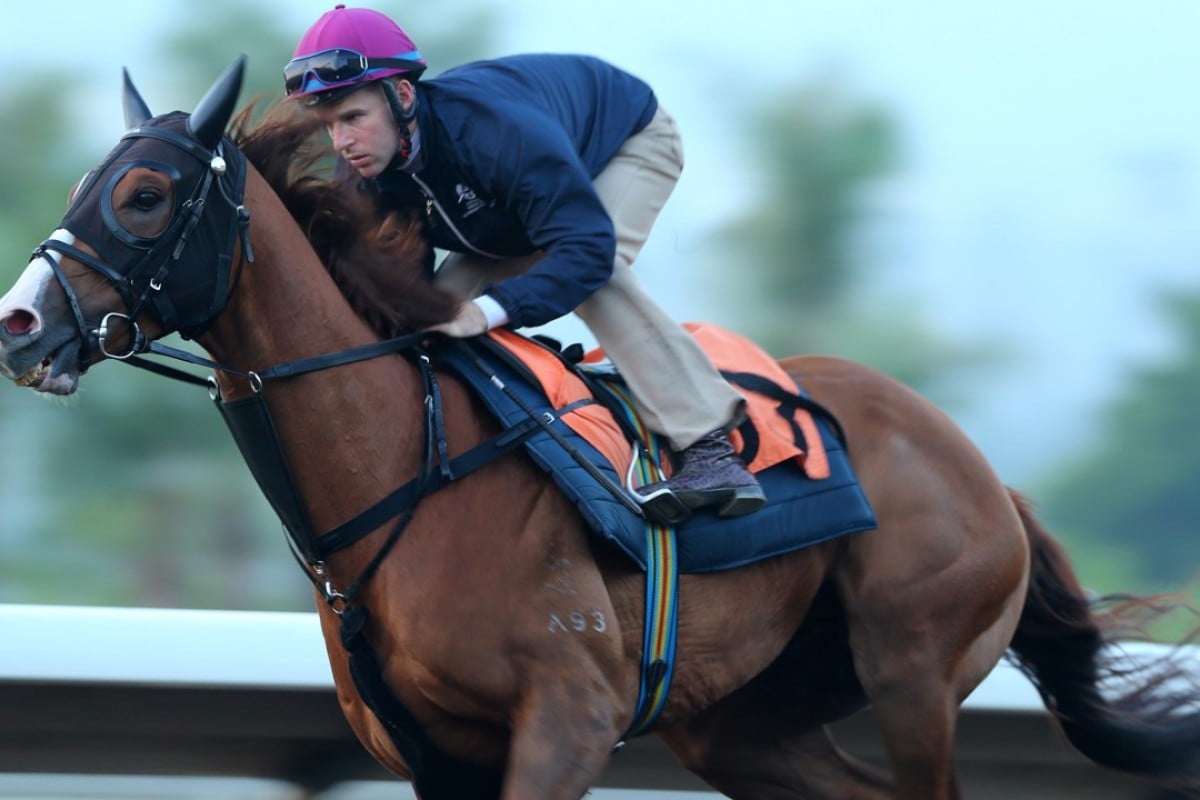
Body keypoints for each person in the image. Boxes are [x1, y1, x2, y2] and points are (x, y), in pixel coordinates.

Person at [283, 5, 764, 522]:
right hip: (508, 212)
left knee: (592, 279)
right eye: (328, 124)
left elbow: (586, 250)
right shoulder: (362, 171)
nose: (341, 142)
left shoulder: (493, 131)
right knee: (431, 321)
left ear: (402, 96)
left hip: (624, 144)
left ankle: (710, 449)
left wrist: (491, 310)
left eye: (353, 117)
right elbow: (400, 284)